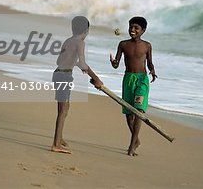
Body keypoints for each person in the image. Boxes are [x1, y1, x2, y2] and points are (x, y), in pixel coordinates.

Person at [51, 16, 103, 154]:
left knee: (65, 107)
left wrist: (73, 63)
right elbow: (83, 63)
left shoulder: (68, 41)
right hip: (64, 76)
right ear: (86, 30)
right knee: (62, 111)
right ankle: (56, 144)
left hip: (58, 74)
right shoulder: (80, 43)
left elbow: (59, 61)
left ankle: (59, 138)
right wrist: (96, 78)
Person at [110, 16, 157, 156]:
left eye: (136, 28)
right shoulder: (123, 44)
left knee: (139, 111)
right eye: (131, 27)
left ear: (143, 30)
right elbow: (117, 64)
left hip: (142, 80)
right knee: (129, 114)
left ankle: (131, 146)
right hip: (128, 79)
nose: (132, 30)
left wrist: (153, 70)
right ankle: (136, 140)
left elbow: (149, 62)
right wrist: (113, 62)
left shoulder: (147, 45)